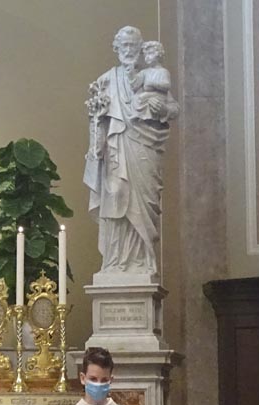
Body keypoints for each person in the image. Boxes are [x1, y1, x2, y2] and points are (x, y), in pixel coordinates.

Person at [84, 26, 178, 277]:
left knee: (143, 200)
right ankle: (114, 262)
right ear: (116, 48)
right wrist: (96, 144)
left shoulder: (151, 77)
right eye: (124, 46)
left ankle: (142, 261)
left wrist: (161, 110)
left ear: (140, 49)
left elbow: (173, 109)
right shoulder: (106, 80)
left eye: (133, 46)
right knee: (115, 196)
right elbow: (97, 119)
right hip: (116, 150)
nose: (129, 50)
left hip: (145, 148)